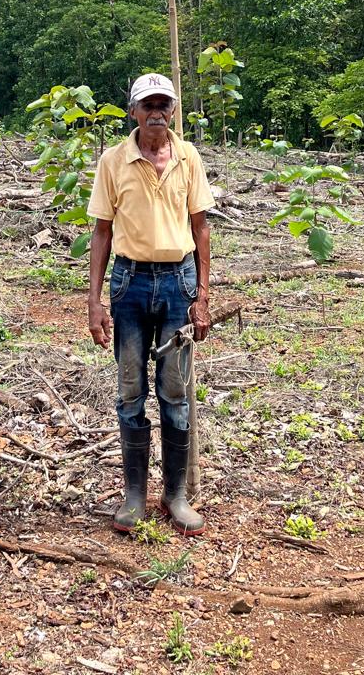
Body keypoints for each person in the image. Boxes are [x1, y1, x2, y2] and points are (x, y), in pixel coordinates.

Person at [86, 72, 214, 536]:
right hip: (130, 283)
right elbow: (101, 231)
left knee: (176, 391)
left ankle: (175, 495)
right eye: (148, 104)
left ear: (173, 110)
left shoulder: (187, 157)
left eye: (164, 104)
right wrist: (94, 301)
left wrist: (201, 295)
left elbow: (200, 226)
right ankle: (135, 495)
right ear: (134, 111)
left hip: (178, 282)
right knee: (130, 390)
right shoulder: (114, 161)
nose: (156, 112)